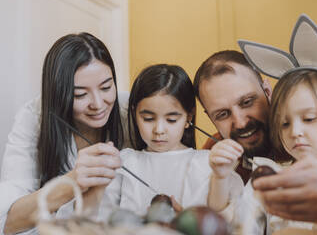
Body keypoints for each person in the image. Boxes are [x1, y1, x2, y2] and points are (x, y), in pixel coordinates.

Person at [0, 33, 130, 234]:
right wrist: (73, 182)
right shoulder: (33, 117)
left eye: (106, 87)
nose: (98, 104)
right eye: (80, 94)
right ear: (58, 93)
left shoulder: (133, 112)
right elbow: (7, 221)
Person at [85, 64, 242, 218]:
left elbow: (220, 217)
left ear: (189, 117)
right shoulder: (124, 162)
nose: (159, 130)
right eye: (148, 118)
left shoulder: (207, 162)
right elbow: (98, 218)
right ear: (134, 113)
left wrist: (220, 177)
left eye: (171, 120)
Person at [241, 69, 317, 234]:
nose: (295, 132)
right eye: (284, 123)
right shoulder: (270, 178)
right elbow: (240, 225)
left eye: (309, 118)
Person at [194, 50, 276, 185]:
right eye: (222, 114)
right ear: (211, 119)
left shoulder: (304, 139)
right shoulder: (212, 156)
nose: (241, 123)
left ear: (267, 92)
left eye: (247, 102)